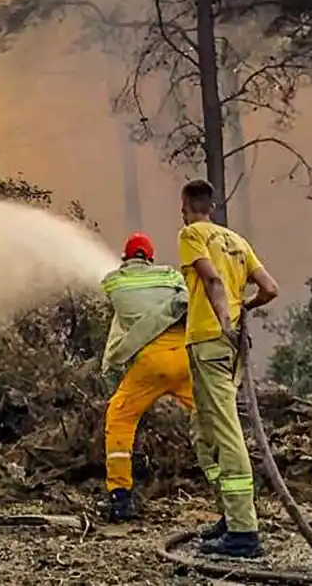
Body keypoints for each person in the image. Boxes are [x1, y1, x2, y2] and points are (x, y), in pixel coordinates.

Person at [178, 179, 280, 559]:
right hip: (228, 345)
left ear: (185, 205)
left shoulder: (191, 234)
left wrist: (224, 318)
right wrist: (243, 310)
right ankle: (230, 513)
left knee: (224, 428)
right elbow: (270, 288)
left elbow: (212, 278)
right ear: (213, 206)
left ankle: (243, 533)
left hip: (209, 341)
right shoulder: (238, 241)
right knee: (202, 430)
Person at [98, 232, 192, 523]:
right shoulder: (171, 277)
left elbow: (120, 315)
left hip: (152, 363)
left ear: (127, 258)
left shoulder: (115, 282)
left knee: (120, 417)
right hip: (187, 359)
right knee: (212, 419)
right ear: (150, 258)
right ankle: (235, 490)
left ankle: (120, 497)